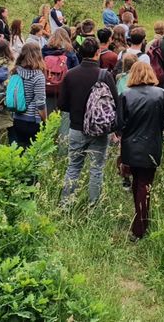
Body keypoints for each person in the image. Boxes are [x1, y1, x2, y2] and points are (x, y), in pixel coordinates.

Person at [60, 37, 121, 206]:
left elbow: (62, 105)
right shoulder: (105, 75)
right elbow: (115, 103)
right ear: (97, 52)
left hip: (76, 128)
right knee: (96, 169)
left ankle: (65, 204)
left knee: (73, 167)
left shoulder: (70, 74)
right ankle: (94, 205)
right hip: (100, 130)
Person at [119, 61, 164, 240]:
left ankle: (139, 222)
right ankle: (140, 226)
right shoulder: (162, 94)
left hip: (130, 147)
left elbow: (119, 124)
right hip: (151, 146)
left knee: (138, 183)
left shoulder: (126, 95)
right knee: (144, 184)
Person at [9, 43, 47, 148]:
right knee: (33, 152)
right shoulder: (38, 76)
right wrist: (45, 120)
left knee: (20, 150)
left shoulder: (15, 71)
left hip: (17, 117)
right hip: (33, 120)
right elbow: (40, 103)